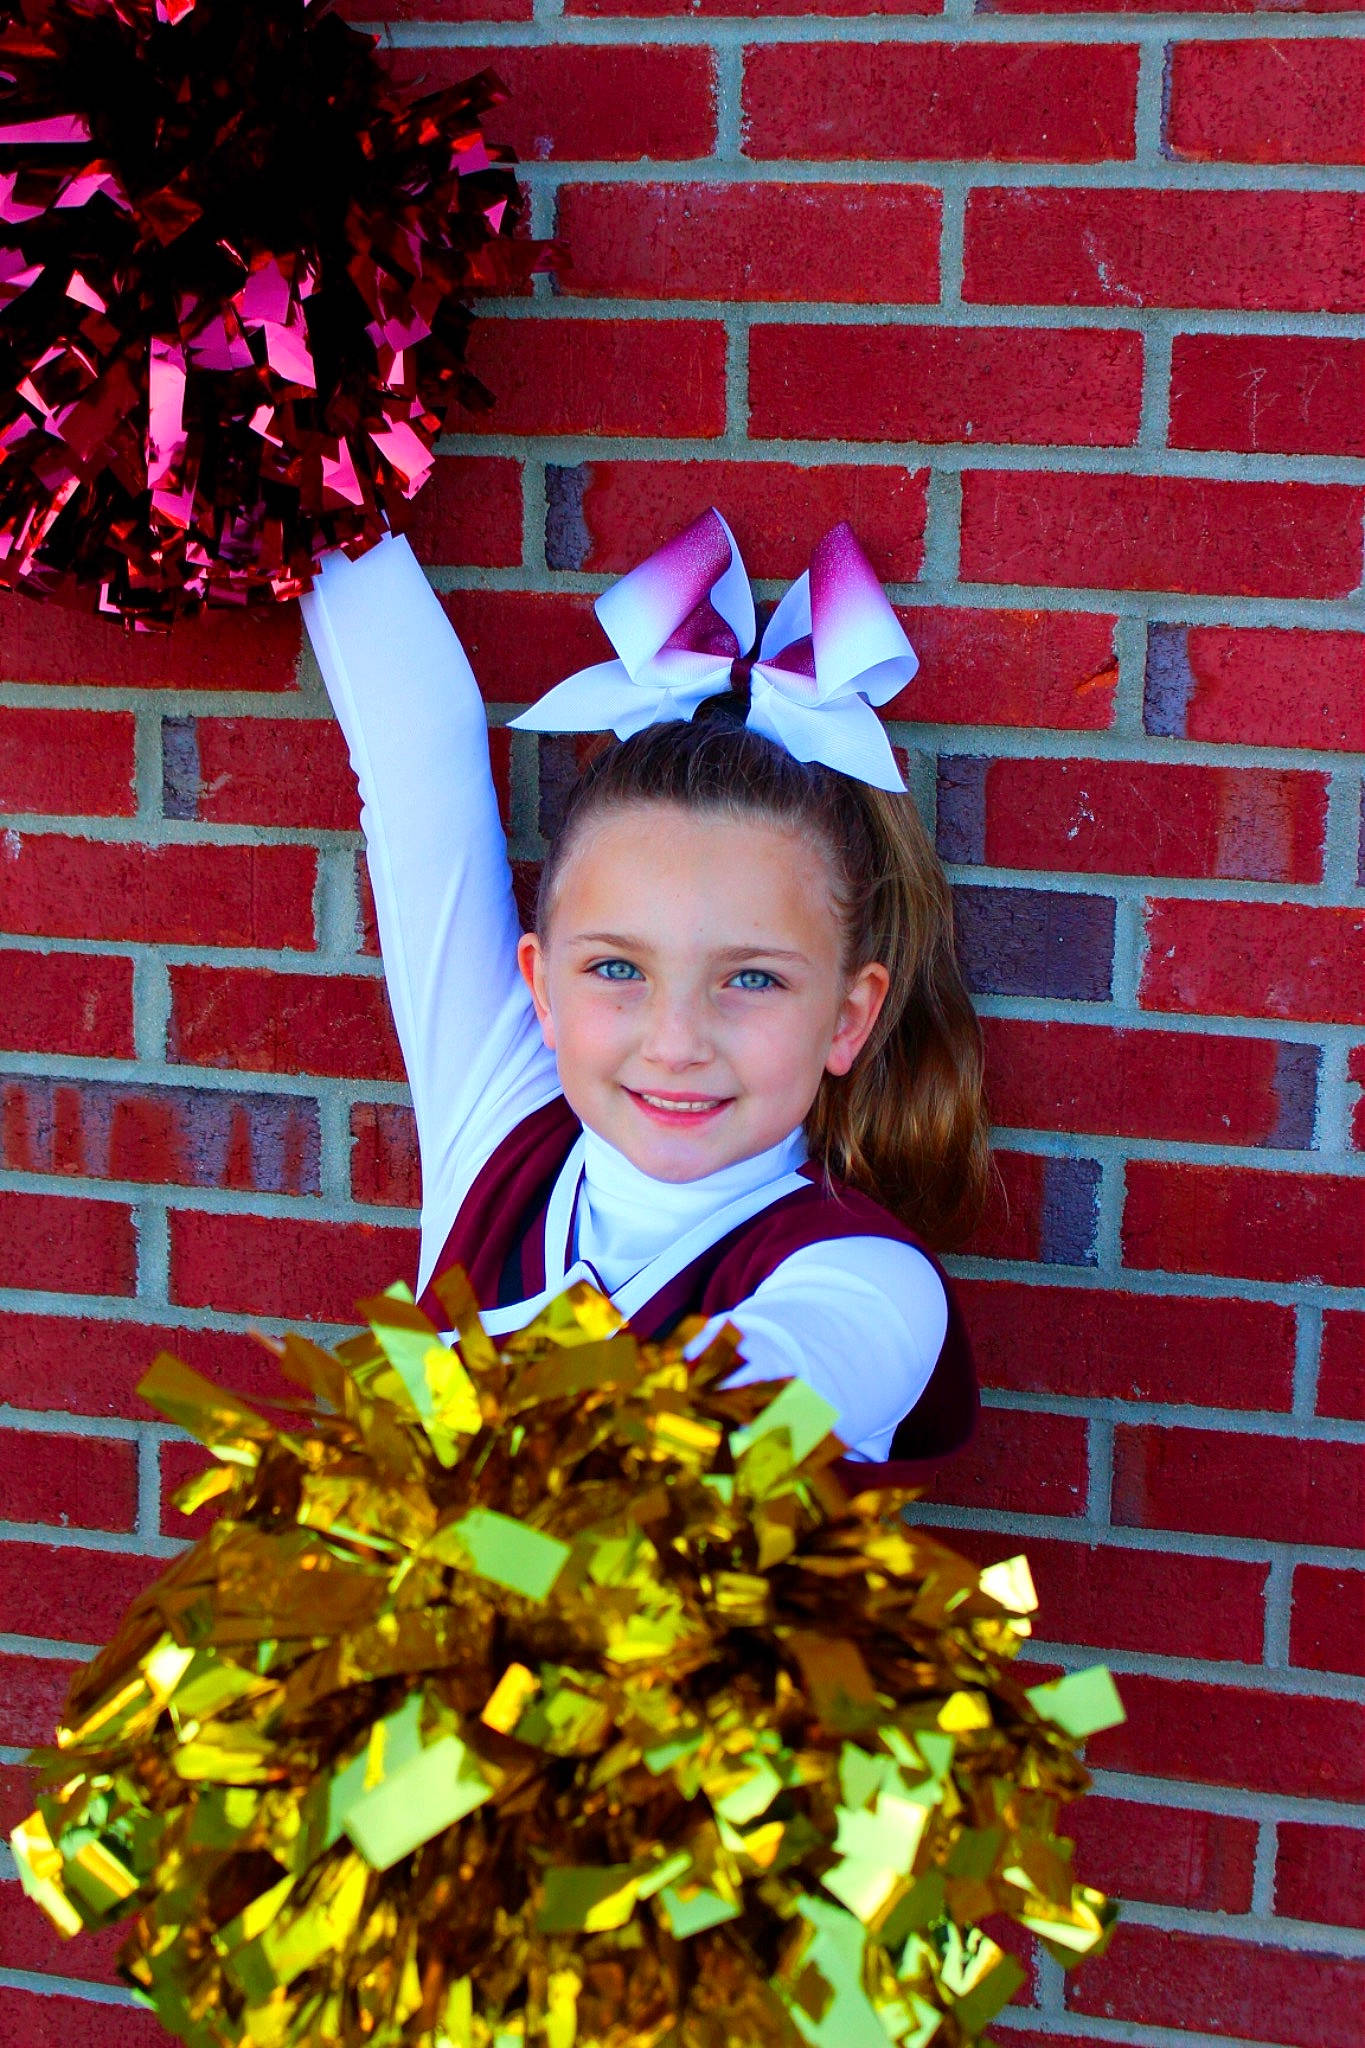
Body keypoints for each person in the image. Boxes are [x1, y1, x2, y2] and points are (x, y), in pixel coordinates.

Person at [300, 508, 988, 1482]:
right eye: (618, 968)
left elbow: (723, 1434)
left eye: (750, 978)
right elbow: (417, 756)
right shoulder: (503, 1121)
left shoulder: (871, 1285)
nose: (675, 1040)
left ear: (848, 1016)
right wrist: (295, 441)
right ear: (539, 986)